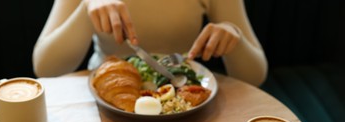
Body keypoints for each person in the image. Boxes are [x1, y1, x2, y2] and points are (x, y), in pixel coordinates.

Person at [32, 0, 268, 86]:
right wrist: (86, 8)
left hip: (180, 101)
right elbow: (46, 68)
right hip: (100, 103)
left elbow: (254, 76)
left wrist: (233, 36)